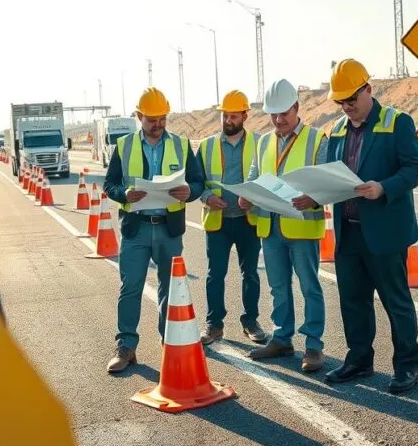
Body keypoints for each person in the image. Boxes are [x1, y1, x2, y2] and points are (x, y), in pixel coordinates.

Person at [321, 59, 418, 394]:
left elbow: (413, 170)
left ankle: (408, 366)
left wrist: (384, 188)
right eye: (341, 102)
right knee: (353, 300)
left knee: (396, 301)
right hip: (348, 230)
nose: (346, 107)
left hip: (384, 231)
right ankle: (359, 360)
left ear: (368, 89)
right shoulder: (337, 130)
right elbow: (329, 174)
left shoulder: (397, 123)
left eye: (351, 99)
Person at [103, 87, 204, 373]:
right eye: (151, 120)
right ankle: (126, 346)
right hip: (136, 230)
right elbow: (109, 184)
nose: (158, 125)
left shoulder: (181, 145)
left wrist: (190, 192)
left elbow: (198, 182)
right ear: (139, 117)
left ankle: (168, 341)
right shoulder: (123, 146)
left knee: (170, 289)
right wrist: (124, 193)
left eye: (162, 119)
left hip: (169, 230)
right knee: (130, 287)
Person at [238, 79, 328, 372]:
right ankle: (282, 338)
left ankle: (313, 346)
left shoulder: (316, 139)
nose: (278, 120)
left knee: (309, 287)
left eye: (283, 114)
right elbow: (254, 176)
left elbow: (329, 182)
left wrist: (313, 198)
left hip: (301, 227)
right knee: (278, 287)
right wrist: (246, 197)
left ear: (297, 108)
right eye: (273, 115)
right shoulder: (264, 141)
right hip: (271, 226)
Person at [196, 90, 267, 345]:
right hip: (218, 220)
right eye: (225, 115)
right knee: (215, 274)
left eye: (233, 116)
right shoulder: (206, 146)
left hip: (248, 219)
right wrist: (206, 197)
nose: (228, 120)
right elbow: (195, 181)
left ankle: (251, 321)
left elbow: (265, 180)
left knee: (250, 273)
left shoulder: (260, 144)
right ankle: (214, 324)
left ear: (245, 116)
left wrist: (254, 198)